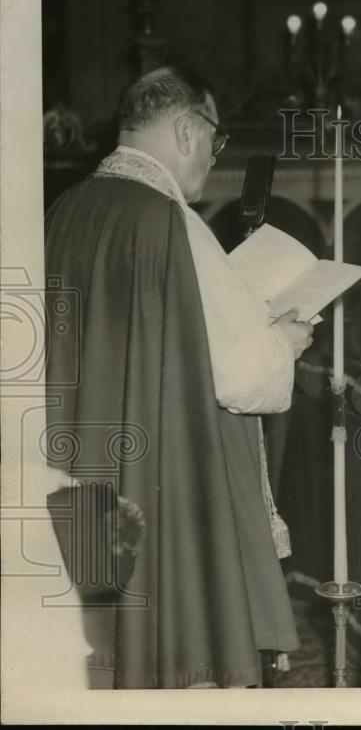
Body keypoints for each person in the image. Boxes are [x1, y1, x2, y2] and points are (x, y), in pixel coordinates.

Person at [44, 66, 315, 688]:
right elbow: (243, 375)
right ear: (188, 131)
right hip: (160, 473)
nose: (212, 163)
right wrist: (285, 337)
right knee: (182, 658)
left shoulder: (66, 207)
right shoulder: (169, 219)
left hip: (84, 471)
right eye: (215, 145)